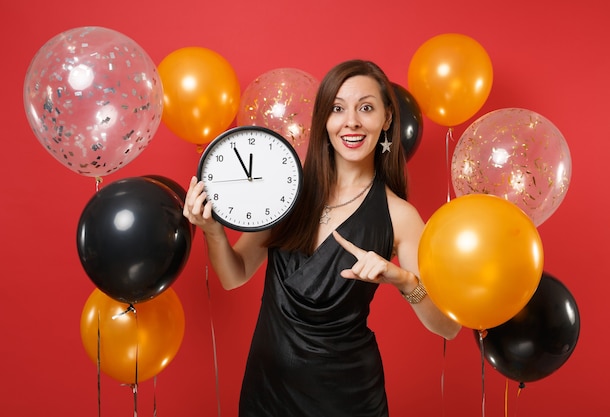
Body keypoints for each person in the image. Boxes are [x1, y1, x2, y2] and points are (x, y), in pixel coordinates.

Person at [183, 59, 461, 417]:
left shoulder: (399, 217)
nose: (352, 122)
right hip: (266, 393)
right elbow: (234, 275)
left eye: (366, 108)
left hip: (345, 399)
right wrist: (212, 229)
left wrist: (404, 281)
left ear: (387, 118)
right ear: (323, 119)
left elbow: (449, 326)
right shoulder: (287, 187)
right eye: (337, 109)